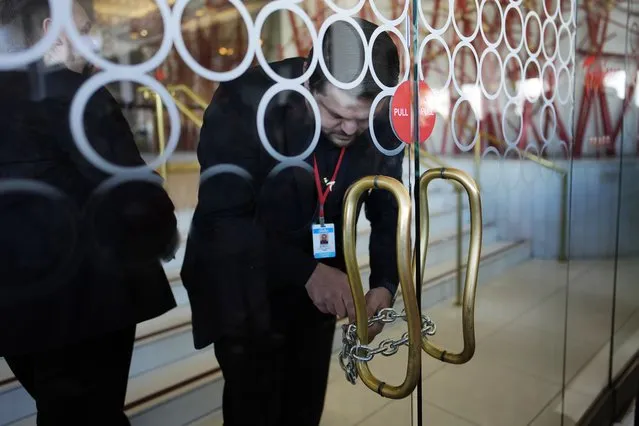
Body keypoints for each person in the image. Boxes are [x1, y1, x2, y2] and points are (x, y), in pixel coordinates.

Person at [181, 18, 403, 426]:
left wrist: (385, 283)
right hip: (244, 280)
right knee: (255, 406)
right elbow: (222, 217)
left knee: (304, 404)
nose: (350, 129)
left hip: (319, 286)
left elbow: (389, 205)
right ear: (307, 82)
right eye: (336, 114)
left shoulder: (385, 116)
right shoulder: (245, 101)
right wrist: (306, 271)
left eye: (363, 117)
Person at [0, 1, 179, 425]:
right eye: (84, 29)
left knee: (58, 410)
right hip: (90, 298)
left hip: (16, 301)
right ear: (54, 30)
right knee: (96, 411)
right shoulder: (75, 93)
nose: (94, 41)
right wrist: (161, 229)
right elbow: (126, 189)